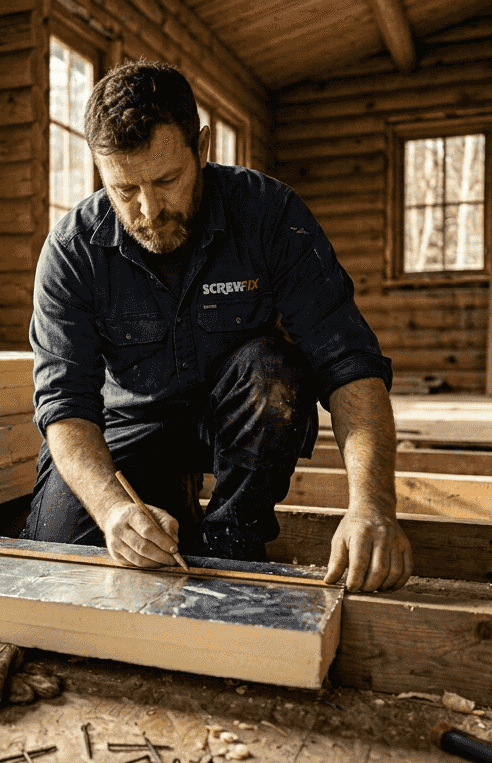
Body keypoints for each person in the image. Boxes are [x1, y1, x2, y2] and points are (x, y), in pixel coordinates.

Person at [22, 60, 412, 592]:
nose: (149, 210)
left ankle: (234, 537)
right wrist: (114, 511)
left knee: (272, 372)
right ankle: (165, 497)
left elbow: (347, 364)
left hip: (241, 425)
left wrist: (373, 505)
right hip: (127, 431)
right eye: (124, 190)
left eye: (166, 180)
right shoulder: (71, 251)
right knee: (57, 556)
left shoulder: (270, 215)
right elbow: (65, 409)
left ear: (201, 148)